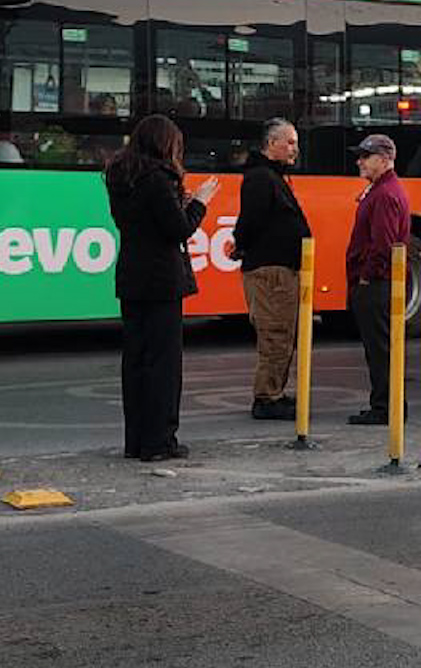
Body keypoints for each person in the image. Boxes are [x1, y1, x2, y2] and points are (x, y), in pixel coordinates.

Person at [106, 114, 219, 461]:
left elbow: (149, 223)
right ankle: (160, 441)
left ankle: (136, 440)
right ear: (165, 144)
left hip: (132, 276)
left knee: (136, 361)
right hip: (162, 280)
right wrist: (200, 201)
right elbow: (178, 229)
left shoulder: (120, 176)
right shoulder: (158, 179)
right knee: (164, 365)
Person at [231, 118, 312, 421]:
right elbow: (249, 222)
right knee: (276, 334)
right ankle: (267, 397)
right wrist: (242, 244)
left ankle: (274, 391)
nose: (295, 148)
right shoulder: (261, 179)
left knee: (282, 333)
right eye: (289, 142)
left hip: (280, 268)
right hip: (271, 271)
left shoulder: (270, 177)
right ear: (271, 144)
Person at [344, 134, 409, 426]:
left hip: (377, 284)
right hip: (380, 282)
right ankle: (387, 404)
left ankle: (386, 407)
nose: (359, 161)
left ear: (383, 160)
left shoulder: (384, 195)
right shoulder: (382, 190)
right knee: (383, 348)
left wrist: (367, 278)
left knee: (380, 349)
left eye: (365, 156)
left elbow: (383, 245)